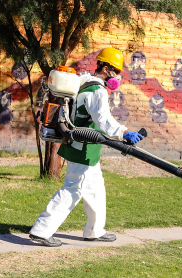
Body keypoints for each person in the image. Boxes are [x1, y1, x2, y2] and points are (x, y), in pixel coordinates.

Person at [29, 47, 143, 247]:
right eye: (116, 71)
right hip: (83, 146)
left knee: (96, 188)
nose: (117, 76)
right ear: (106, 68)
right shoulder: (97, 90)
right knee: (72, 189)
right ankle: (41, 231)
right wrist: (124, 133)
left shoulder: (82, 81)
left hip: (84, 145)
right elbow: (103, 119)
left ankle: (94, 231)